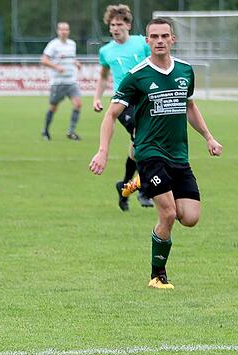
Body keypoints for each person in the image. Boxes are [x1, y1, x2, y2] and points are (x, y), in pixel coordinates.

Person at [89, 18, 223, 290]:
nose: (159, 40)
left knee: (191, 217)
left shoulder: (186, 71)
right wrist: (102, 151)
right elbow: (111, 115)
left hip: (179, 155)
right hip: (149, 153)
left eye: (164, 36)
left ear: (173, 39)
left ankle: (138, 182)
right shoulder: (137, 75)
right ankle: (157, 276)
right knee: (169, 214)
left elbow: (190, 107)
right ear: (147, 40)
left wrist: (208, 136)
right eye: (154, 36)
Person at [93, 4, 154, 211]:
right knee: (142, 138)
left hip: (145, 98)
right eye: (112, 25)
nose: (115, 28)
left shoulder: (141, 43)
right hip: (123, 101)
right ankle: (145, 190)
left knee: (137, 147)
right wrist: (96, 98)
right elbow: (102, 77)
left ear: (128, 25)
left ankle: (125, 186)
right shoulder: (106, 51)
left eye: (119, 24)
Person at [40, 21, 82, 141]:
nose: (64, 32)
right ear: (58, 31)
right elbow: (43, 60)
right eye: (62, 29)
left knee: (78, 104)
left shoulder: (72, 44)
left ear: (69, 31)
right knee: (53, 107)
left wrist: (76, 63)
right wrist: (56, 67)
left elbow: (71, 58)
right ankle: (45, 130)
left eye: (66, 29)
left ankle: (71, 132)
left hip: (71, 81)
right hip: (58, 82)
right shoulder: (53, 45)